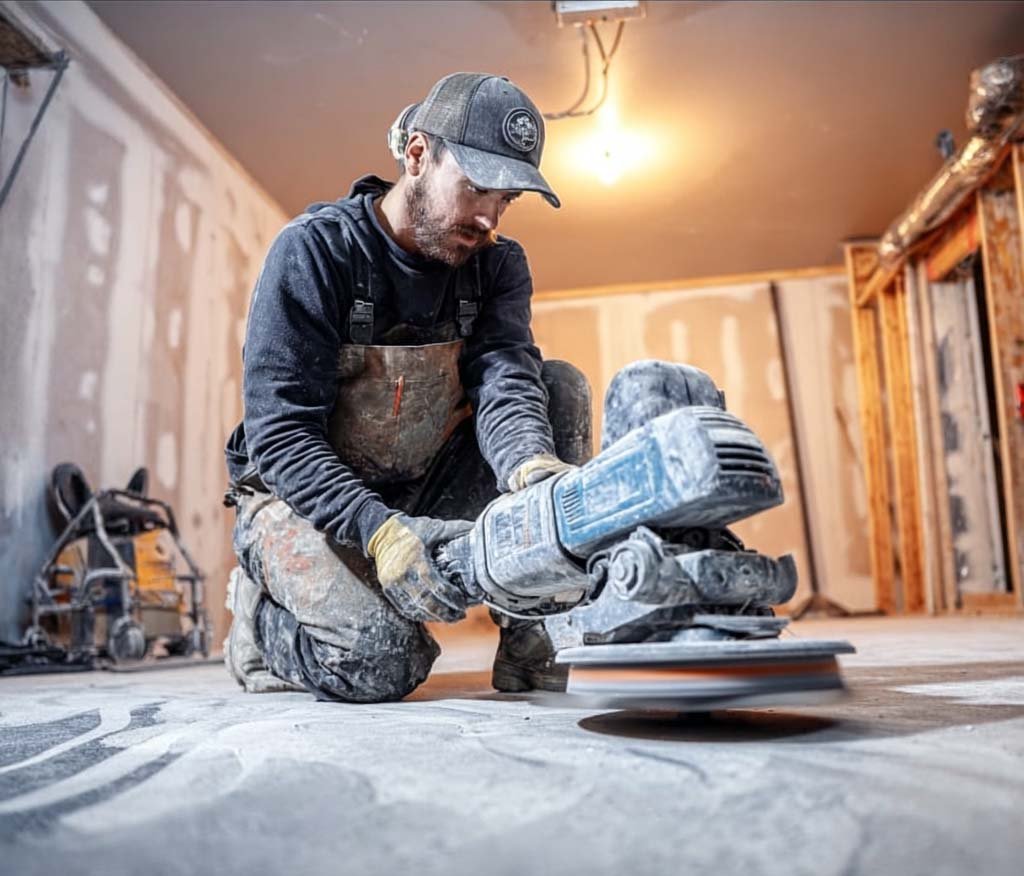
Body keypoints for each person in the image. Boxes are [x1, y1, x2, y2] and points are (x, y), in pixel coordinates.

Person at [222, 72, 592, 702]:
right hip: (305, 499)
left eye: (506, 200)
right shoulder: (316, 252)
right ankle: (257, 627)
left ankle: (534, 635)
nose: (488, 218)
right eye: (476, 188)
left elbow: (506, 378)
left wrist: (533, 472)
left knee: (559, 387)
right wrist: (379, 529)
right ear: (418, 155)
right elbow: (279, 436)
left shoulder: (497, 266)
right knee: (381, 664)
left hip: (423, 480)